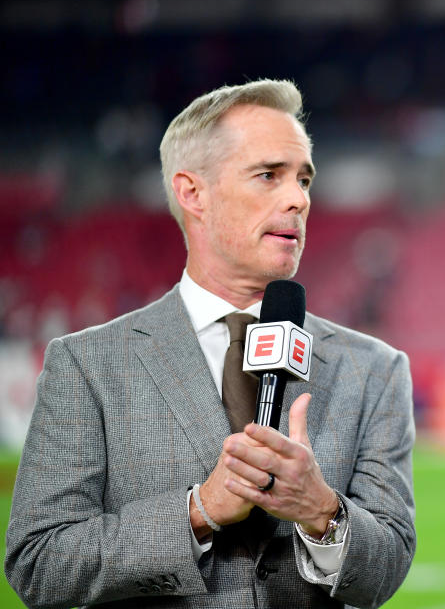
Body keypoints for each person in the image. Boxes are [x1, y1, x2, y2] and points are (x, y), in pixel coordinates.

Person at [5, 80, 416, 608]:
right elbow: (39, 563)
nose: (298, 199)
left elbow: (387, 569)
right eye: (269, 175)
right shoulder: (87, 365)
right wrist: (198, 510)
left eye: (304, 179)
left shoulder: (375, 368)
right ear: (192, 192)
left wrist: (321, 511)